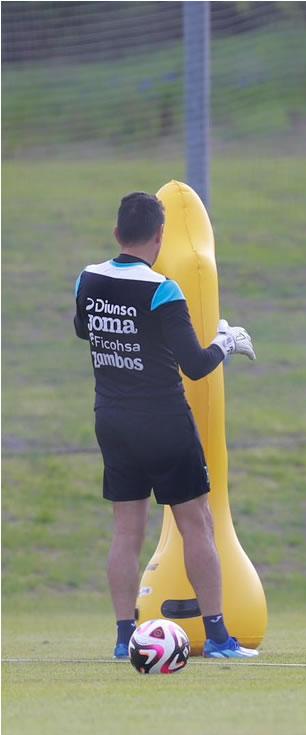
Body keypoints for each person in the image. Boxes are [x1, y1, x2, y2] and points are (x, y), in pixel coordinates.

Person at [74, 191, 259, 659]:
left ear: (117, 232)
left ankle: (124, 639)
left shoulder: (88, 278)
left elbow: (83, 328)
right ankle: (218, 638)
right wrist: (226, 342)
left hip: (111, 420)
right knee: (197, 523)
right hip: (163, 421)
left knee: (126, 531)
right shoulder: (163, 289)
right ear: (159, 236)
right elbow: (195, 365)